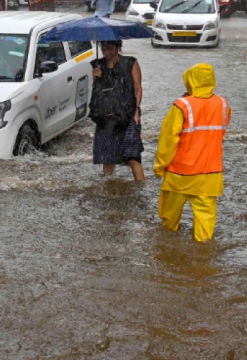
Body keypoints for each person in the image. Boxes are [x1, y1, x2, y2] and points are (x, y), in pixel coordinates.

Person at [154, 63, 231, 243]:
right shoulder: (223, 104)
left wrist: (160, 166)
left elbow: (167, 140)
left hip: (180, 174)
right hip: (210, 174)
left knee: (169, 220)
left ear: (190, 79)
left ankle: (167, 251)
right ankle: (203, 257)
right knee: (206, 223)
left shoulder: (181, 105)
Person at [91, 40, 145, 181]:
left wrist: (137, 110)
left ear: (118, 48)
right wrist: (95, 78)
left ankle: (140, 189)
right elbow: (97, 93)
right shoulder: (98, 65)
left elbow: (137, 88)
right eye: (103, 49)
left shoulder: (131, 63)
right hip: (106, 117)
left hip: (127, 115)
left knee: (133, 156)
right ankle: (108, 188)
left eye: (110, 49)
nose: (106, 52)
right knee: (108, 158)